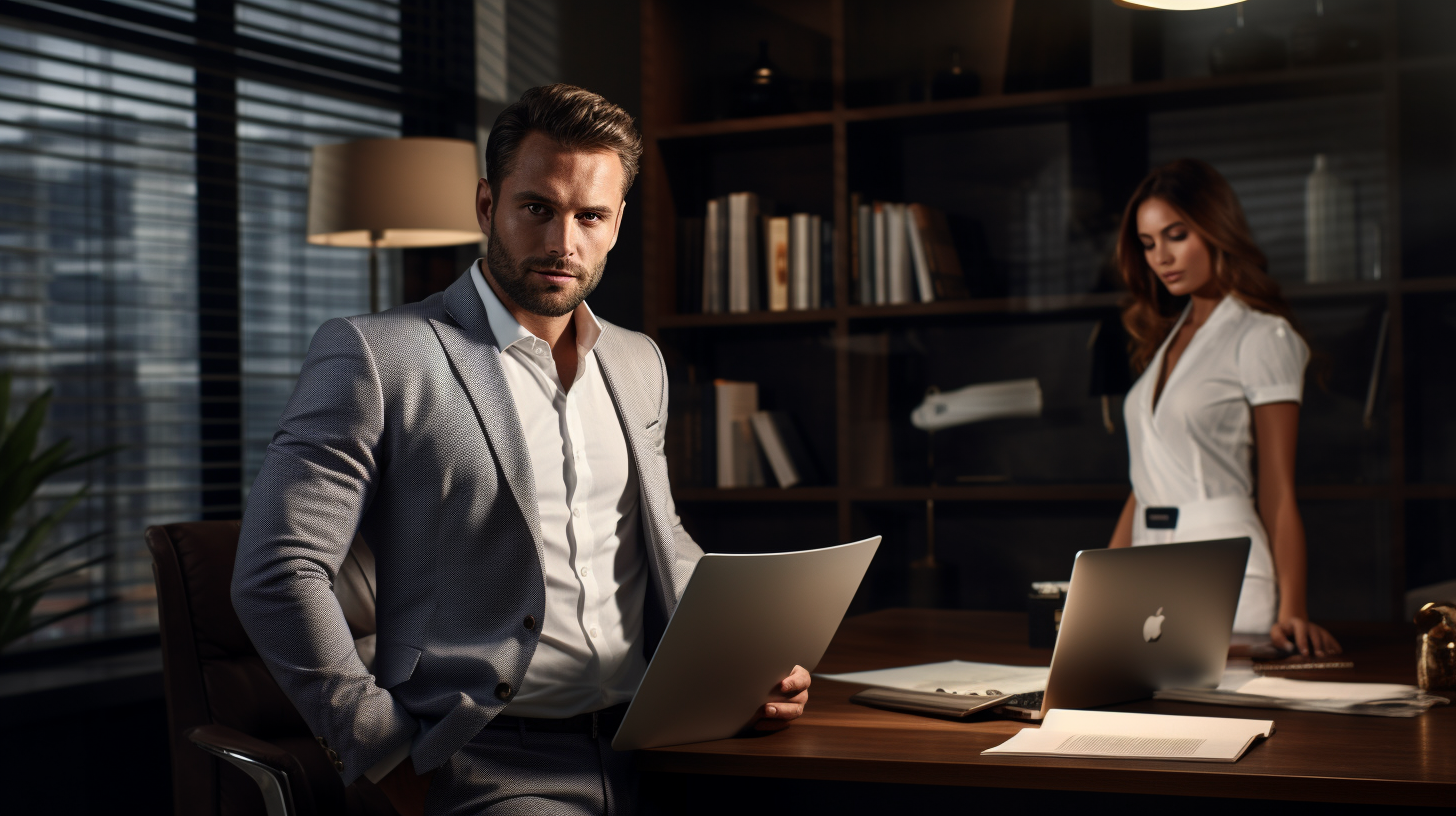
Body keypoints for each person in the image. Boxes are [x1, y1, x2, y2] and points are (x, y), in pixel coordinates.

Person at [231, 84, 810, 816]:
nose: (561, 243)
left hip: (662, 744)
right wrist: (380, 747)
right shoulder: (379, 356)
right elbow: (277, 569)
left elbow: (658, 540)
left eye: (589, 216)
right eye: (537, 207)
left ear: (618, 224)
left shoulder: (639, 363)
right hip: (491, 764)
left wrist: (747, 664)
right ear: (486, 205)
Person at [1106, 158, 1341, 659]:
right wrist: (1100, 587)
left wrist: (1292, 610)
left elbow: (1278, 489)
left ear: (1215, 228)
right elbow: (1144, 481)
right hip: (1146, 565)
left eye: (1175, 235)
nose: (1161, 257)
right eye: (1148, 244)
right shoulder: (1164, 341)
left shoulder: (1261, 336)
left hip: (1223, 564)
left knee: (1213, 726)